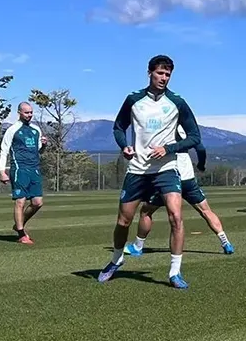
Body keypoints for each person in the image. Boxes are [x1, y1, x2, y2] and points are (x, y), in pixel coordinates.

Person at [96, 55, 201, 289]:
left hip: (166, 169)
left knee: (176, 216)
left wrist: (169, 148)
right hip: (137, 170)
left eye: (168, 74)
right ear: (149, 73)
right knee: (123, 222)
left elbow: (195, 137)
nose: (164, 78)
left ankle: (175, 272)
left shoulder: (178, 102)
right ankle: (116, 260)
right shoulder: (133, 99)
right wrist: (124, 145)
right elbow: (118, 127)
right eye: (160, 73)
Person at [126, 132, 236, 258]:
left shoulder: (164, 130)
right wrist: (201, 164)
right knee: (206, 211)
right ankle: (226, 243)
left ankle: (138, 247)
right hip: (188, 178)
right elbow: (200, 148)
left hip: (170, 180)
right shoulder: (187, 131)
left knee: (146, 212)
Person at [0, 101, 46, 245]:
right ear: (19, 112)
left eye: (31, 112)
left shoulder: (36, 129)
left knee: (37, 203)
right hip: (19, 169)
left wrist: (44, 146)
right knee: (20, 201)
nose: (29, 115)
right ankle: (21, 233)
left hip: (34, 169)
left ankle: (18, 224)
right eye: (26, 112)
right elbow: (4, 150)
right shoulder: (13, 129)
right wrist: (2, 171)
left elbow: (38, 150)